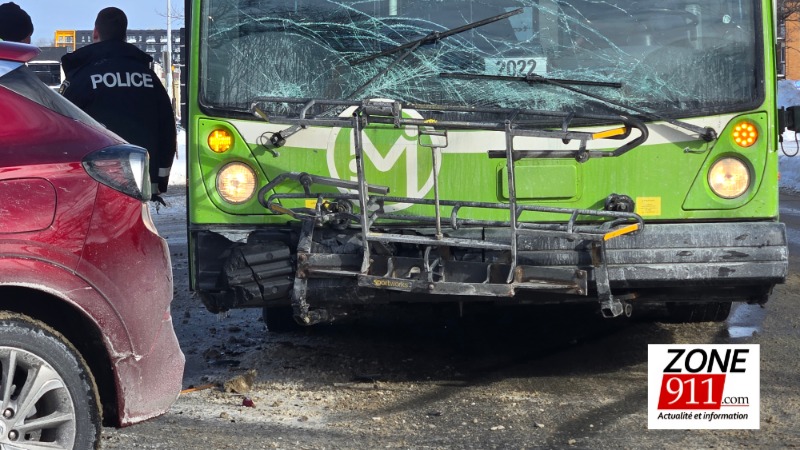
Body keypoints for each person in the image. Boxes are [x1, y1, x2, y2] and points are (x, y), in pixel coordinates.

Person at [60, 7, 176, 200]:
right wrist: (158, 180)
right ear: (124, 35)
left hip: (94, 183)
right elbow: (167, 128)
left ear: (95, 33)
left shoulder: (81, 78)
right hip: (140, 182)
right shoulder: (148, 77)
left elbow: (63, 129)